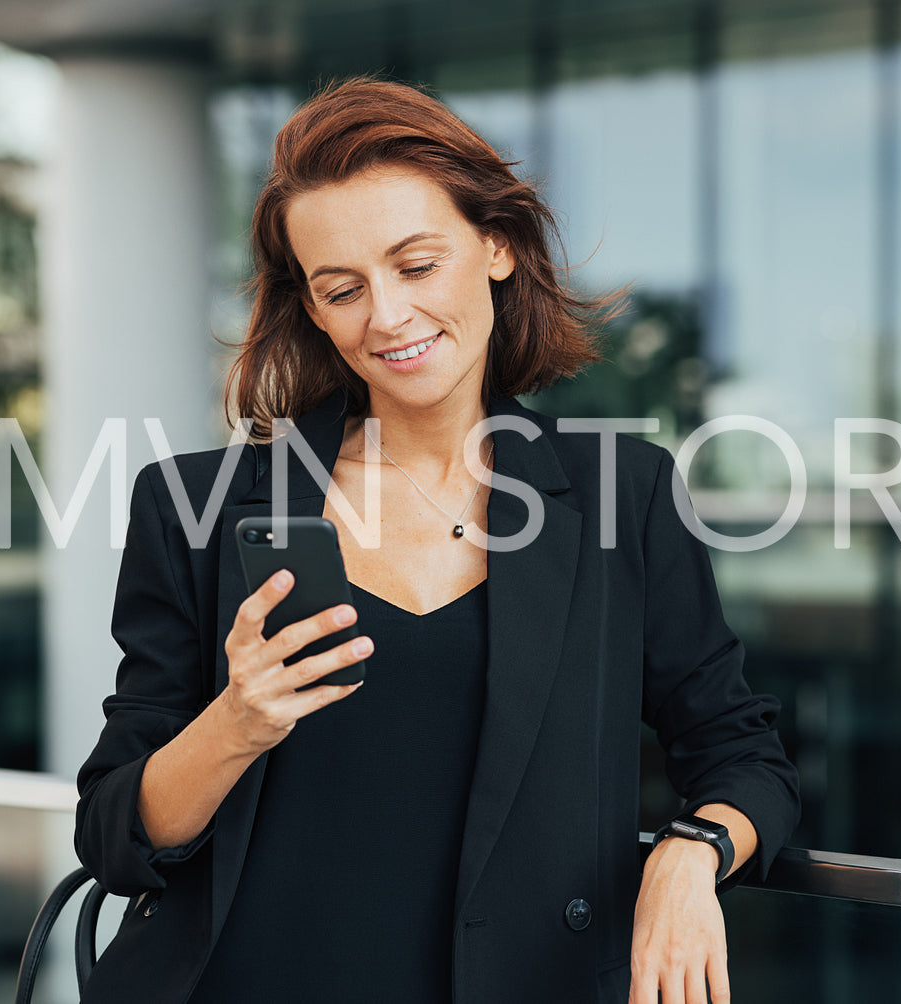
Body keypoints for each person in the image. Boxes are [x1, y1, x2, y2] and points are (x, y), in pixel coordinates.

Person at [74, 76, 799, 1004]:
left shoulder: (621, 492)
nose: (386, 315)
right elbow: (113, 829)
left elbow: (741, 752)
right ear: (313, 308)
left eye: (415, 266)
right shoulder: (194, 504)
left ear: (495, 247)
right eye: (342, 289)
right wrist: (235, 724)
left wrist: (690, 855)